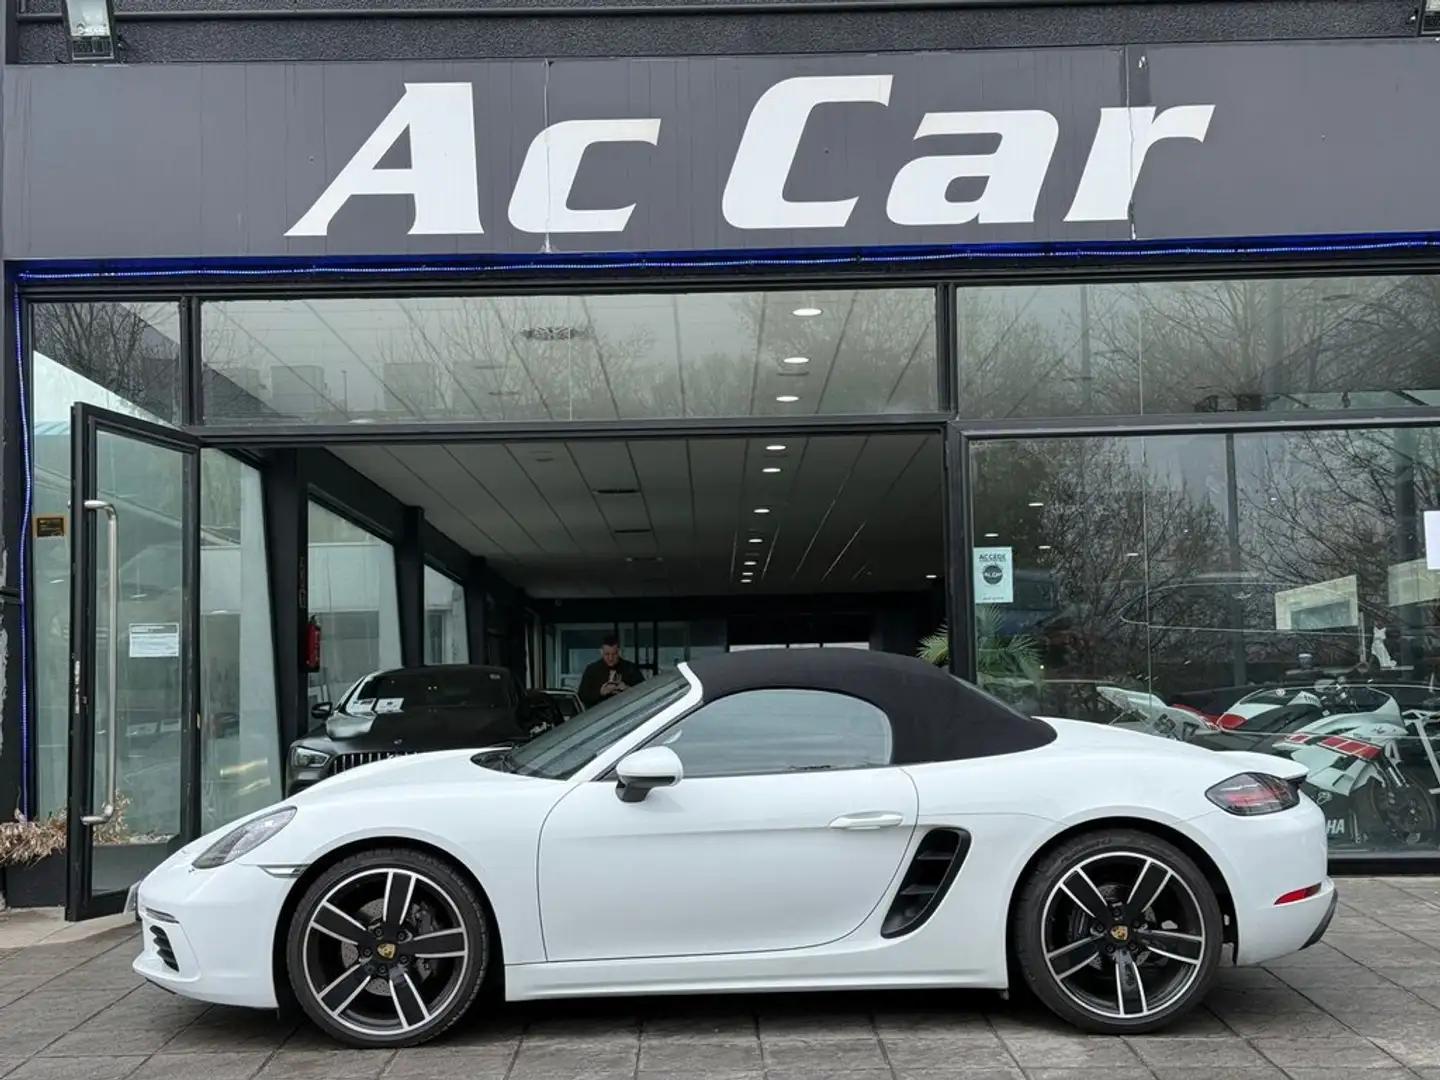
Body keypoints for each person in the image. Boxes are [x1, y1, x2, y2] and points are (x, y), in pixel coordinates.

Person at [577, 636, 646, 708]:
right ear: (601, 652)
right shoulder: (592, 670)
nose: (610, 658)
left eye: (614, 654)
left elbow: (643, 692)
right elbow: (582, 696)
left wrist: (627, 689)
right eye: (607, 654)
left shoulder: (631, 669)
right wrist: (600, 692)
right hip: (599, 714)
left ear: (619, 652)